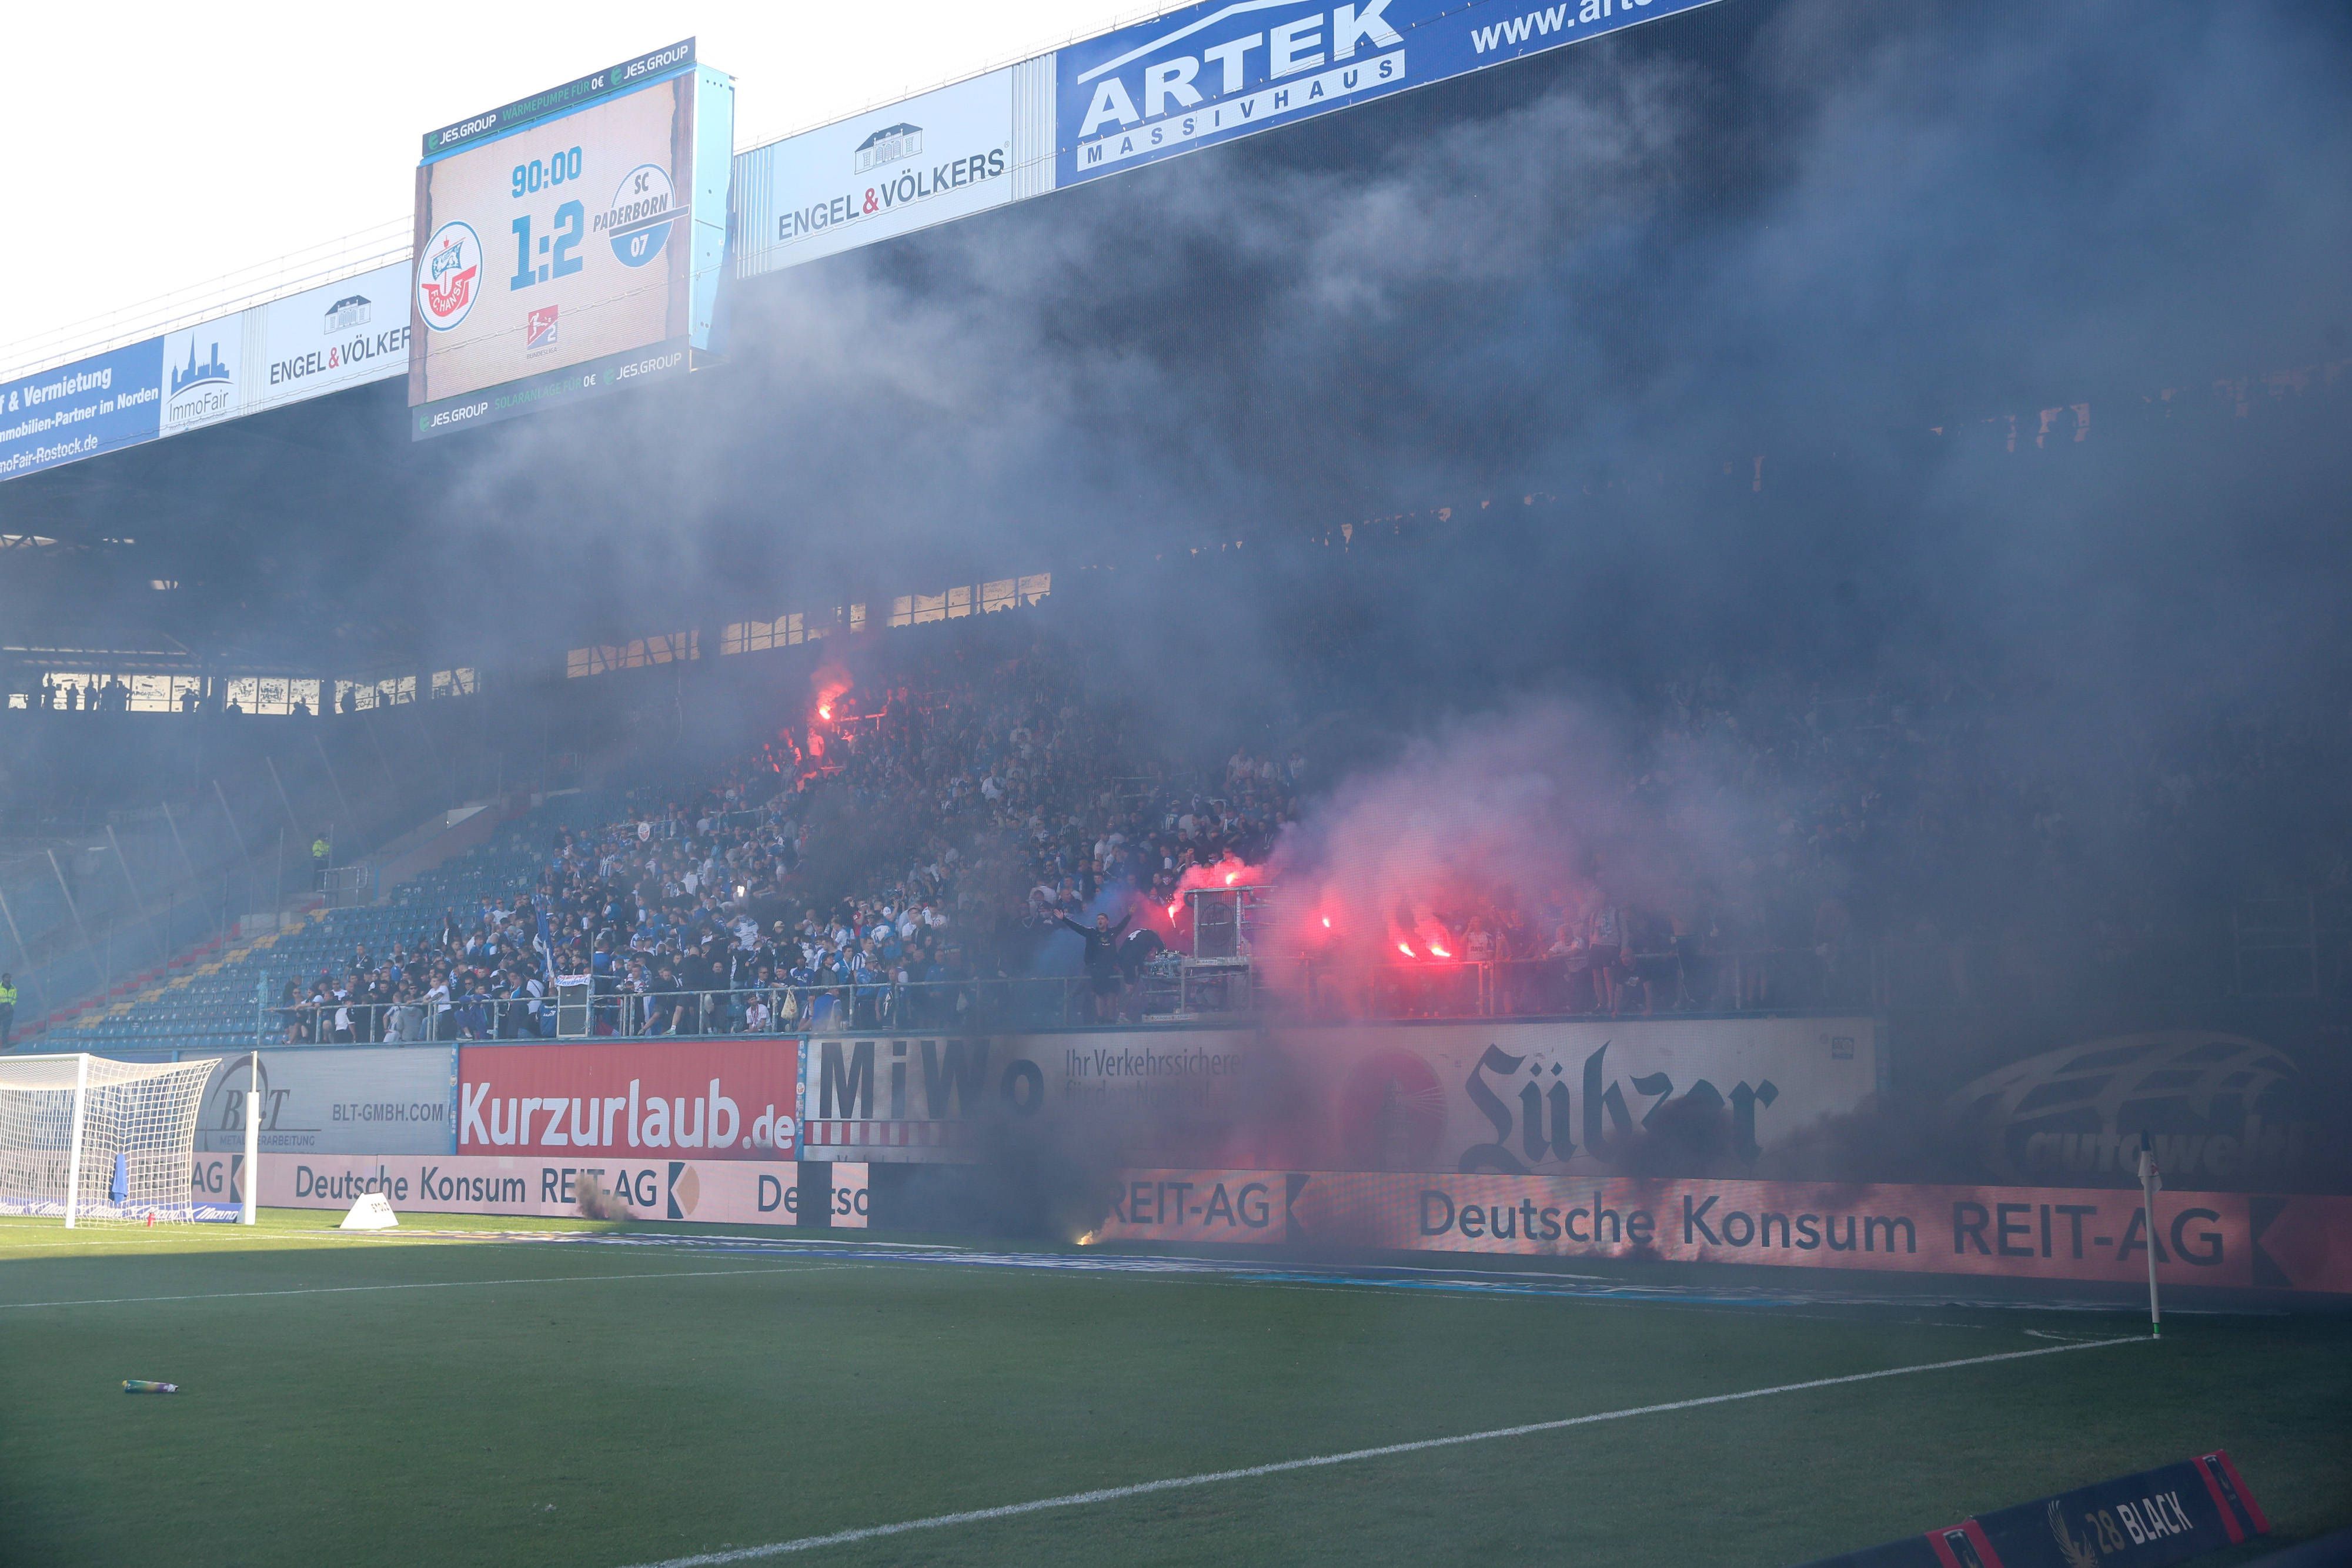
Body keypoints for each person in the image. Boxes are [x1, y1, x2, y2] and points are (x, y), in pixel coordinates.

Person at [1058, 908, 1132, 1023]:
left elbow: (1123, 925)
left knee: (1112, 993)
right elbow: (1078, 928)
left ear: (1107, 922)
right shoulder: (1091, 933)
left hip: (1111, 968)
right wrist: (1064, 919)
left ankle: (1111, 1018)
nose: (1100, 921)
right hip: (1097, 968)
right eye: (1098, 919)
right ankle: (1101, 1018)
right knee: (1100, 993)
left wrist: (1130, 915)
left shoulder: (1112, 932)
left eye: (1102, 919)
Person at [0, 972, 14, 1049]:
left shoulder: (13, 988)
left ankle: (5, 1043)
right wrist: (3, 1006)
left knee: (7, 1028)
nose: (8, 979)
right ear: (3, 979)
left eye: (9, 977)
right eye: (7, 977)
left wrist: (11, 1005)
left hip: (10, 1010)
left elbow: (14, 999)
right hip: (1, 1008)